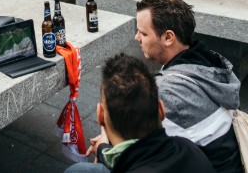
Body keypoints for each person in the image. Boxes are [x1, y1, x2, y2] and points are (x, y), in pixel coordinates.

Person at [135, 0, 243, 173]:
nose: (136, 37)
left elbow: (139, 153)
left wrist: (105, 146)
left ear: (168, 37)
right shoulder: (208, 62)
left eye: (143, 33)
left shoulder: (168, 93)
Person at [66, 54, 215, 173]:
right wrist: (102, 148)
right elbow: (131, 158)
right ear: (161, 110)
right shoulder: (188, 147)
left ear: (100, 116)